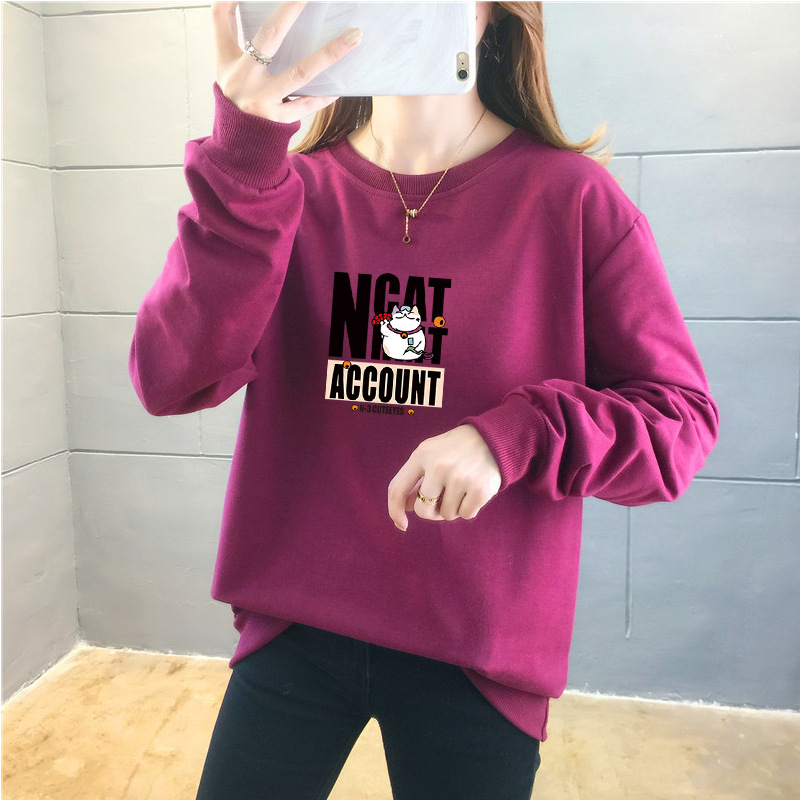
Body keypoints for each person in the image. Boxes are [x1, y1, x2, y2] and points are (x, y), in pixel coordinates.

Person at [129, 2, 719, 797]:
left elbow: (679, 422)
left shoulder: (572, 200)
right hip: (297, 621)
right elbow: (168, 379)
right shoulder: (282, 189)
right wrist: (243, 156)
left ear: (495, 14)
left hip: (477, 646)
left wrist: (516, 436)